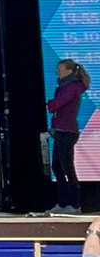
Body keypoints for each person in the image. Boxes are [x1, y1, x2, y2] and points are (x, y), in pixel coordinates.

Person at [48, 58, 90, 215]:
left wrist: (50, 104)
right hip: (60, 131)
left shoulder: (71, 87)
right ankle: (63, 203)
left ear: (69, 71)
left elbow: (55, 105)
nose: (57, 72)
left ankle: (75, 204)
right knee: (57, 167)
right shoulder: (65, 86)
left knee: (67, 168)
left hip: (67, 132)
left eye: (60, 69)